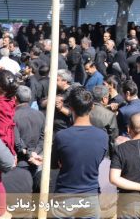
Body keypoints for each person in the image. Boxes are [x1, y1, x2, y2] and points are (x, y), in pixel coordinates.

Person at [51, 86, 108, 219]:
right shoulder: (103, 136)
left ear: (70, 108)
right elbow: (100, 160)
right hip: (91, 197)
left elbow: (54, 164)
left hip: (64, 197)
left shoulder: (61, 136)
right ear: (92, 107)